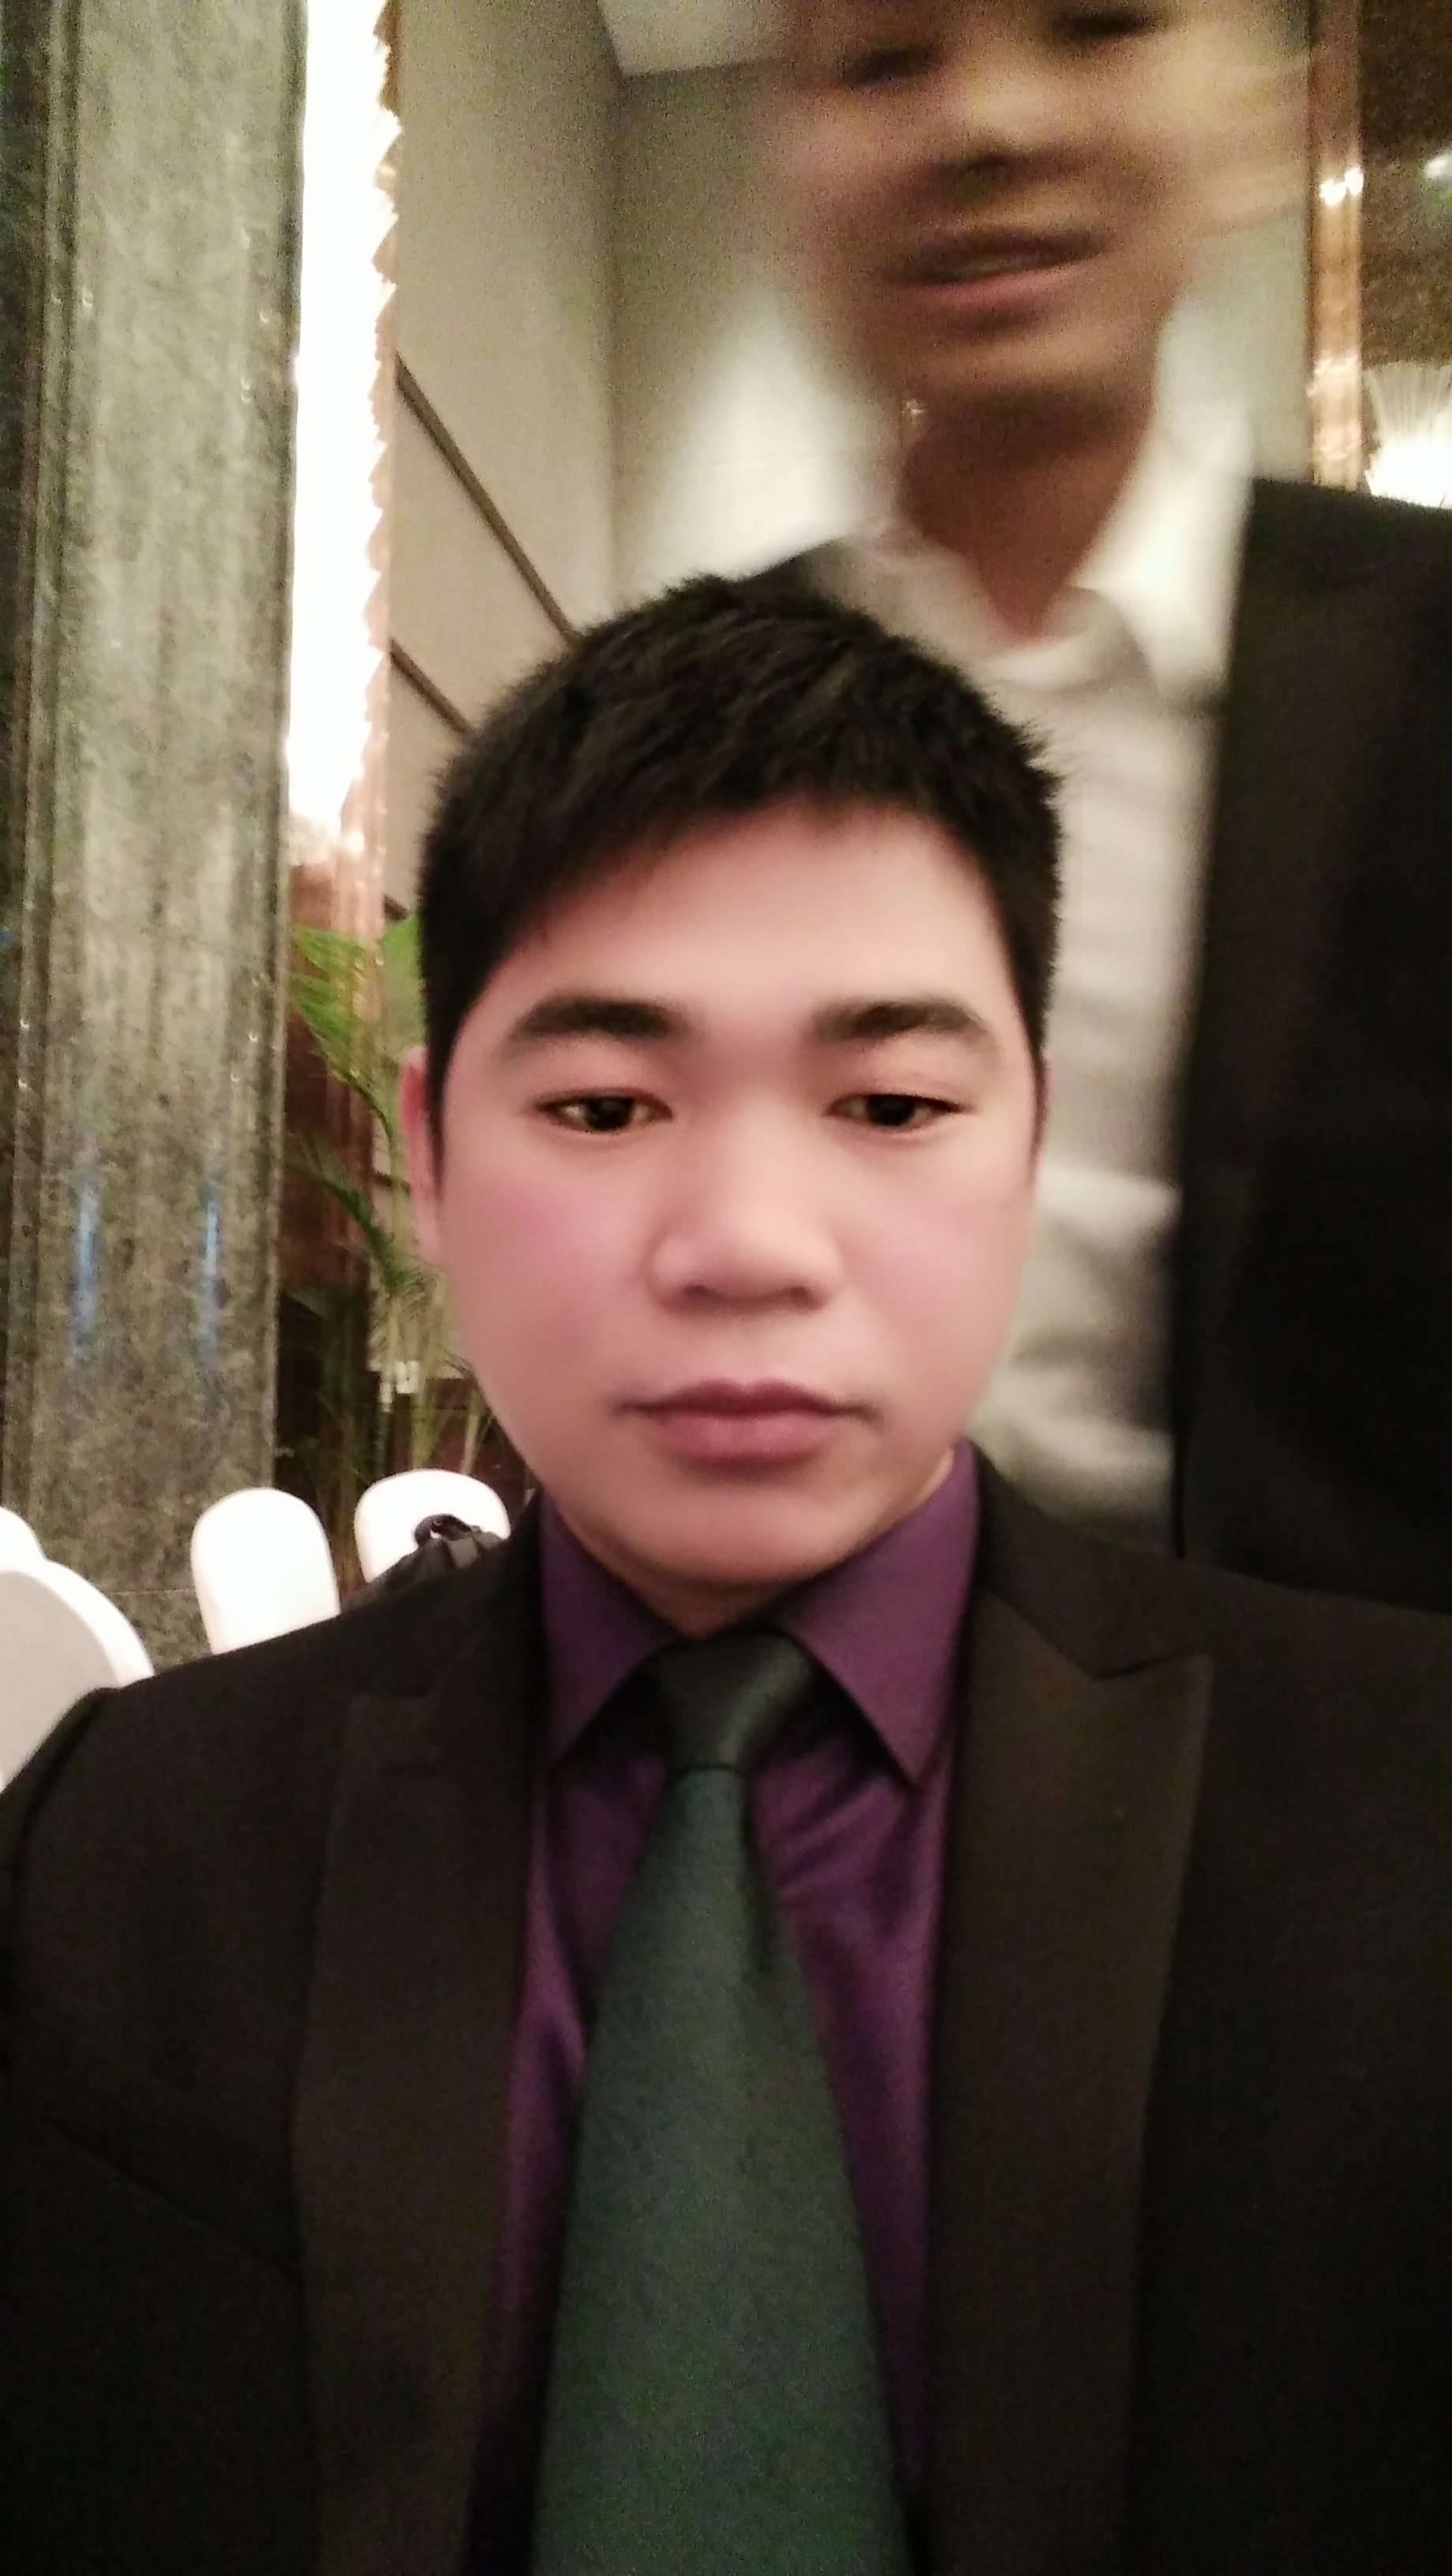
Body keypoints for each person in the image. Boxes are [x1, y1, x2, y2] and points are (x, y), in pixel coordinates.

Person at [4, 578, 1452, 2576]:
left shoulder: (1400, 1812)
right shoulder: (130, 1839)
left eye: (891, 1106)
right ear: (429, 1156)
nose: (749, 1243)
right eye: (603, 1107)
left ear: (1030, 1139)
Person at [772, 0, 1452, 1608]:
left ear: (1262, 121)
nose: (987, 123)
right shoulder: (688, 706)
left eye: (1097, 27)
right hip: (793, 1697)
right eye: (886, 60)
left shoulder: (1421, 655)